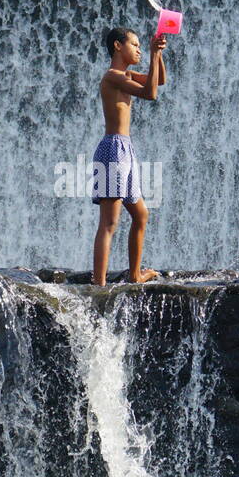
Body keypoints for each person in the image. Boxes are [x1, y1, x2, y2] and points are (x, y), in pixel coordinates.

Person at [90, 26, 168, 285]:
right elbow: (150, 94)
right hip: (113, 148)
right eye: (134, 45)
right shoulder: (112, 76)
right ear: (117, 46)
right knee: (110, 222)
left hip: (126, 149)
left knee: (141, 215)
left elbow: (158, 81)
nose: (138, 50)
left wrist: (158, 53)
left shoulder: (126, 74)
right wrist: (153, 55)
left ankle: (135, 275)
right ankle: (98, 285)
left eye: (139, 46)